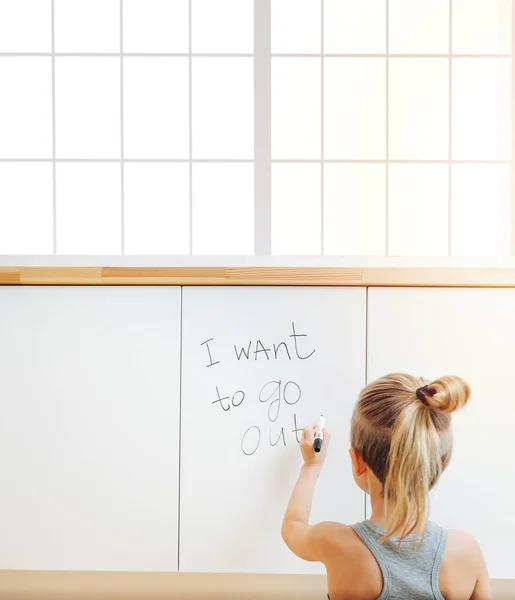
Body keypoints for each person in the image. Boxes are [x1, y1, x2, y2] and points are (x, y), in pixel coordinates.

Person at [281, 374, 492, 600]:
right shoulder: (465, 551)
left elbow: (292, 526)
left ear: (357, 461)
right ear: (441, 465)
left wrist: (311, 466)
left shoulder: (337, 543)